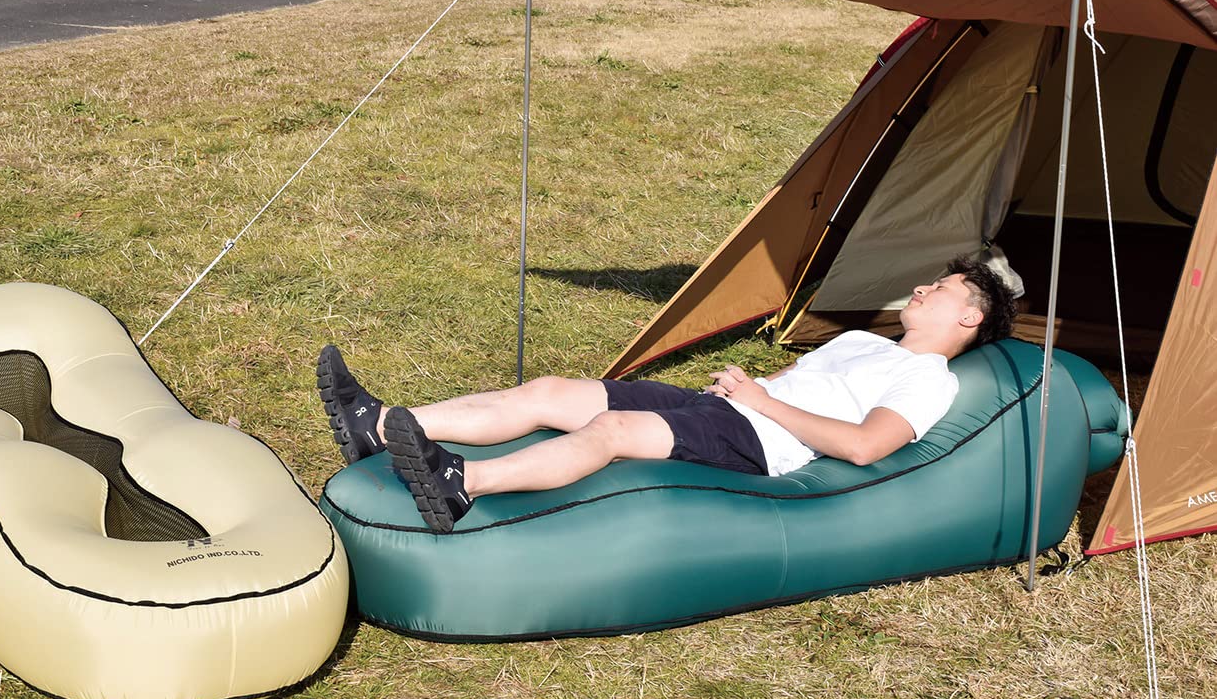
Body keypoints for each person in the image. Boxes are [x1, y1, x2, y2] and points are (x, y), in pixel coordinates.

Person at [317, 257, 1017, 533]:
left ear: (968, 318)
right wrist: (749, 390)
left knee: (613, 434)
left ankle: (463, 485)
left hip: (759, 441)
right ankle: (380, 424)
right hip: (726, 408)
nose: (920, 288)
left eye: (940, 290)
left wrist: (761, 402)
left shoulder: (929, 379)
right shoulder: (863, 340)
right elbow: (794, 386)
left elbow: (865, 446)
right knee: (550, 391)